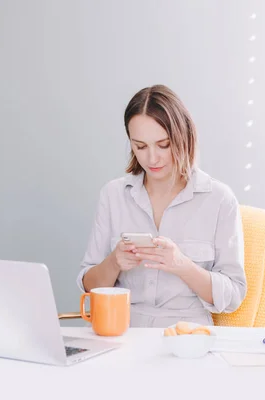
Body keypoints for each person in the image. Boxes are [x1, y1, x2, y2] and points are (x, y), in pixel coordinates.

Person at [76, 84, 247, 328]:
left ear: (183, 137)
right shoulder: (113, 195)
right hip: (121, 332)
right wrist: (114, 262)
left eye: (163, 145)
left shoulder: (219, 199)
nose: (152, 158)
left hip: (186, 337)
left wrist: (182, 266)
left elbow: (233, 296)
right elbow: (89, 286)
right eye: (140, 146)